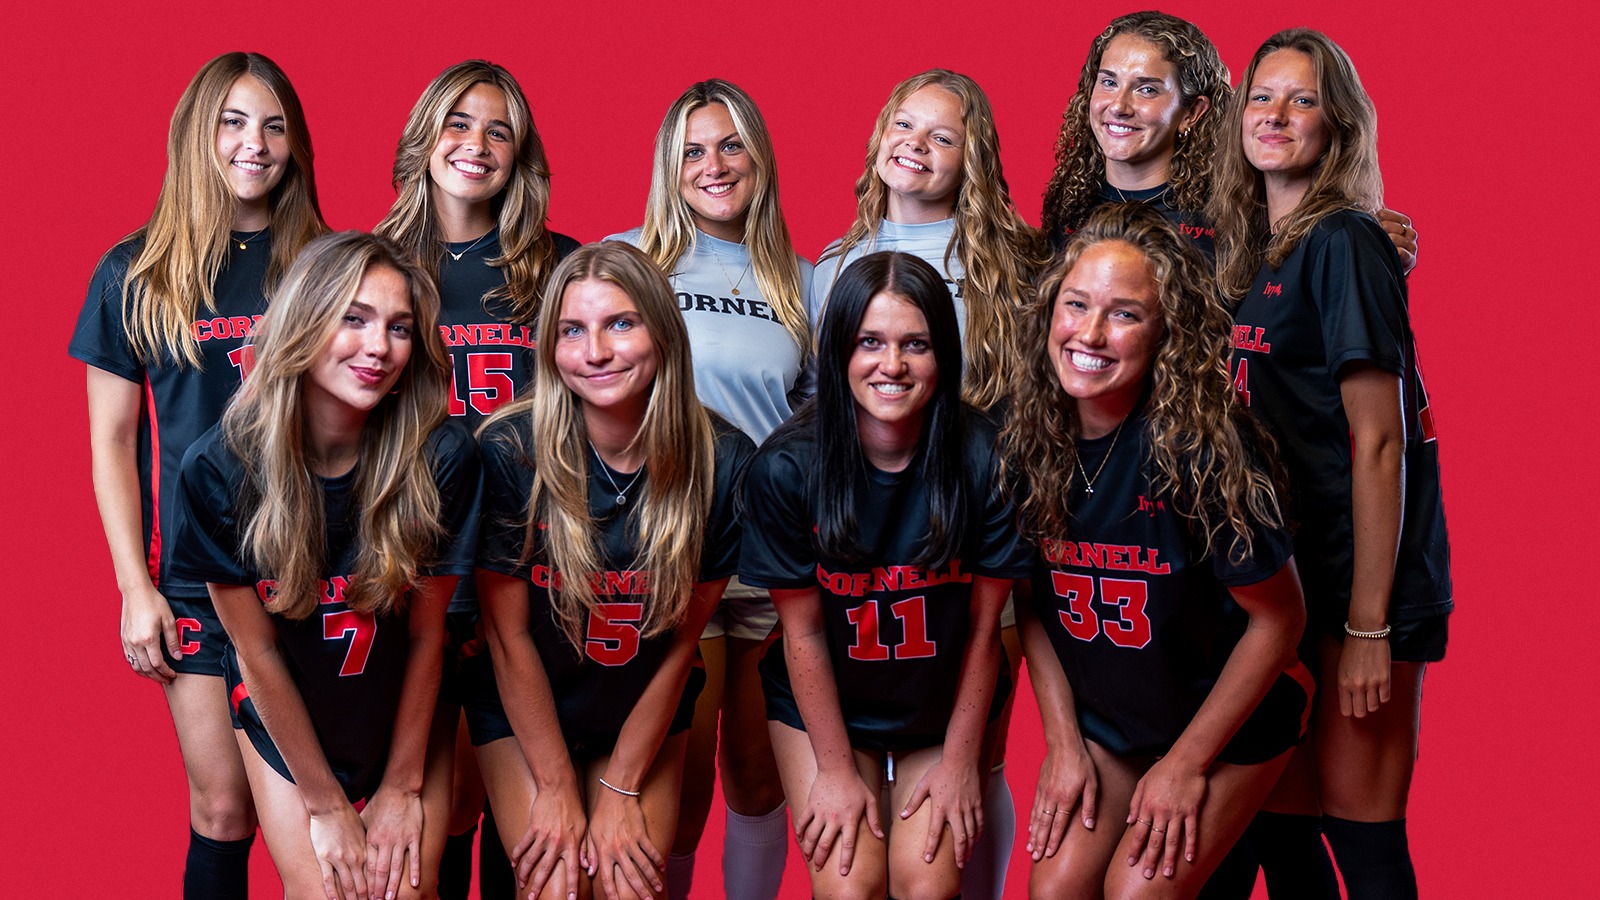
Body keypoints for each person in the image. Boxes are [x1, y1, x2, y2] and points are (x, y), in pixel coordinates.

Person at [69, 51, 325, 899]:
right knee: (222, 811)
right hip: (195, 579)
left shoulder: (323, 261)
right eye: (234, 122)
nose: (256, 144)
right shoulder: (135, 270)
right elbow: (112, 441)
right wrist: (133, 588)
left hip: (312, 571)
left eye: (275, 126)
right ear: (196, 133)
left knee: (321, 816)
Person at [1002, 203, 1310, 899]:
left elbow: (1280, 620)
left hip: (1227, 725)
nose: (1089, 333)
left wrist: (1185, 765)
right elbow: (1028, 600)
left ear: (1167, 331)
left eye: (1124, 314)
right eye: (1076, 304)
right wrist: (1063, 742)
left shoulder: (1202, 452)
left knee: (1136, 894)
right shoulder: (1027, 443)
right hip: (1116, 724)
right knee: (1053, 892)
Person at [1210, 30, 1452, 900]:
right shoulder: (1254, 249)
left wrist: (1368, 629)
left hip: (1358, 587)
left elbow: (1381, 442)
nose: (1275, 115)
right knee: (1282, 827)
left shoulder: (1346, 240)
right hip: (1288, 581)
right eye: (1262, 97)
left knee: (1363, 835)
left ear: (1338, 125)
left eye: (1302, 100)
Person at [169, 231, 479, 900]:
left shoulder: (442, 456)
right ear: (304, 321)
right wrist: (326, 804)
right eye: (354, 319)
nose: (379, 347)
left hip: (400, 700)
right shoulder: (219, 468)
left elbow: (427, 634)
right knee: (327, 893)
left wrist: (402, 787)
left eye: (400, 328)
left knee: (405, 891)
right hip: (291, 707)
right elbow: (256, 653)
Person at [810, 70, 1047, 897]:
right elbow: (820, 405)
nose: (916, 144)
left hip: (974, 530)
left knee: (972, 760)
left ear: (971, 160)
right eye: (904, 125)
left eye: (942, 136)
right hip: (864, 539)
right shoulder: (833, 264)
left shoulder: (1013, 261)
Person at [741, 251, 1032, 900]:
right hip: (827, 705)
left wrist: (961, 762)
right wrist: (835, 772)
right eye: (869, 342)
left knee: (926, 884)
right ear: (839, 350)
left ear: (943, 353)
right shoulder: (786, 469)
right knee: (850, 886)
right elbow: (803, 634)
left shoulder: (988, 457)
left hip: (941, 699)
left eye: (915, 344)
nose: (892, 365)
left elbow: (984, 632)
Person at [468, 241, 753, 900]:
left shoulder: (722, 461)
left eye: (620, 324)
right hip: (528, 707)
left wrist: (622, 785)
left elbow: (682, 642)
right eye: (572, 330)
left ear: (662, 331)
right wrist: (556, 787)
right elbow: (508, 639)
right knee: (558, 887)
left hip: (638, 700)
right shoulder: (509, 451)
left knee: (629, 891)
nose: (594, 351)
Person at [376, 58, 581, 900]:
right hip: (410, 559)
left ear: (520, 155)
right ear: (424, 137)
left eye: (500, 131)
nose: (477, 144)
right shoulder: (375, 265)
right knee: (428, 810)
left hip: (526, 561)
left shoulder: (558, 266)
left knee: (517, 814)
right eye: (459, 123)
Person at [603, 78, 811, 900]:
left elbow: (816, 427)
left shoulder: (801, 281)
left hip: (768, 556)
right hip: (665, 554)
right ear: (669, 165)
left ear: (759, 157)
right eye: (693, 150)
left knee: (758, 778)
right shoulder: (628, 263)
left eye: (731, 146)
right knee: (679, 795)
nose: (714, 165)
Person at [1038, 11, 1419, 269]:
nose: (1119, 106)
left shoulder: (1237, 213)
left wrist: (1369, 257)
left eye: (1147, 89)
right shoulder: (1068, 209)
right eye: (1108, 82)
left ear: (1192, 112)